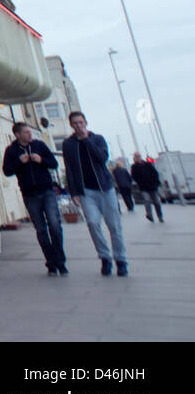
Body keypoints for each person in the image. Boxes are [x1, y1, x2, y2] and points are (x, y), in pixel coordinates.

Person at [63, 112, 127, 277]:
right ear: (71, 125)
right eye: (75, 123)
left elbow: (102, 158)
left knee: (114, 226)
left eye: (81, 122)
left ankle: (121, 260)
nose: (78, 126)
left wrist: (87, 140)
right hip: (86, 191)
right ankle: (105, 257)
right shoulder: (68, 144)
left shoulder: (97, 138)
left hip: (105, 189)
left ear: (86, 123)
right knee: (92, 223)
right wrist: (74, 192)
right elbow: (69, 168)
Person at [1, 121, 67, 276]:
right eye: (26, 132)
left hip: (47, 191)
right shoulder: (11, 151)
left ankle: (60, 261)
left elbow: (54, 164)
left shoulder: (39, 145)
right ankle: (51, 264)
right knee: (41, 230)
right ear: (17, 135)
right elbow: (7, 170)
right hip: (30, 195)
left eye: (29, 132)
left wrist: (41, 160)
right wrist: (19, 162)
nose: (29, 134)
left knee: (55, 225)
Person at [130, 152, 164, 223]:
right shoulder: (134, 166)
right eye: (136, 156)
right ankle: (149, 215)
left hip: (152, 186)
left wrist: (156, 182)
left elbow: (155, 173)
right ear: (134, 158)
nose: (137, 158)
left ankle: (160, 216)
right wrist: (140, 182)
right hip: (143, 187)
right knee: (147, 200)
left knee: (156, 202)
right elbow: (134, 176)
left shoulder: (147, 164)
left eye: (138, 156)